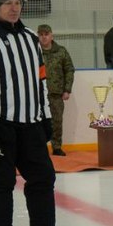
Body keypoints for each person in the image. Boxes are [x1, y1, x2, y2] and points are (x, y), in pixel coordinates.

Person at [0, 0, 73, 226]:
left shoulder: (32, 39)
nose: (14, 8)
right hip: (1, 124)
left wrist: (46, 117)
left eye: (18, 2)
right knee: (1, 182)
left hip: (31, 123)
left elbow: (41, 81)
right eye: (7, 3)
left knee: (43, 178)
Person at [37, 24, 75, 157]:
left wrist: (67, 89)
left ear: (51, 35)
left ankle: (57, 147)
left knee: (57, 122)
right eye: (41, 34)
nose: (44, 37)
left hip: (56, 94)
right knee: (37, 123)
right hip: (37, 95)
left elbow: (69, 70)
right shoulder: (33, 51)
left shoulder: (61, 51)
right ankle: (39, 148)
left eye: (46, 34)